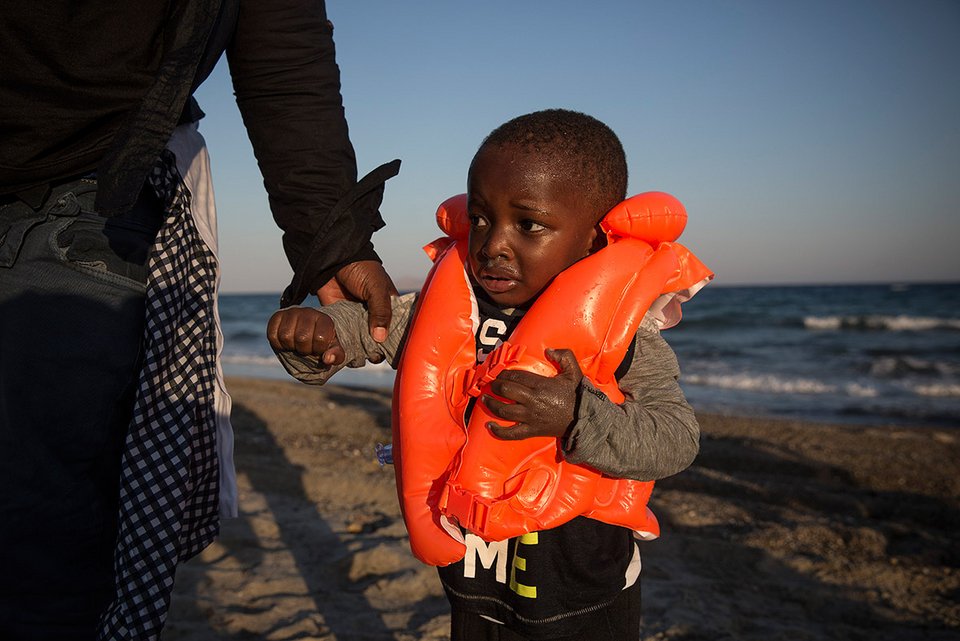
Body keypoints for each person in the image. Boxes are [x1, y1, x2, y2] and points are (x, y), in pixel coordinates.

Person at [0, 1, 398, 639]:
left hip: (91, 196)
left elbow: (284, 54)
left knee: (41, 542)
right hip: (85, 211)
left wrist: (334, 239)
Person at [269, 109, 710, 640]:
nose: (493, 244)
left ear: (595, 241)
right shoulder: (452, 308)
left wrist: (576, 416)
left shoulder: (625, 333)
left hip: (582, 594)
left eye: (528, 225)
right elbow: (367, 331)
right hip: (474, 581)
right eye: (480, 218)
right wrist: (317, 335)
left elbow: (675, 438)